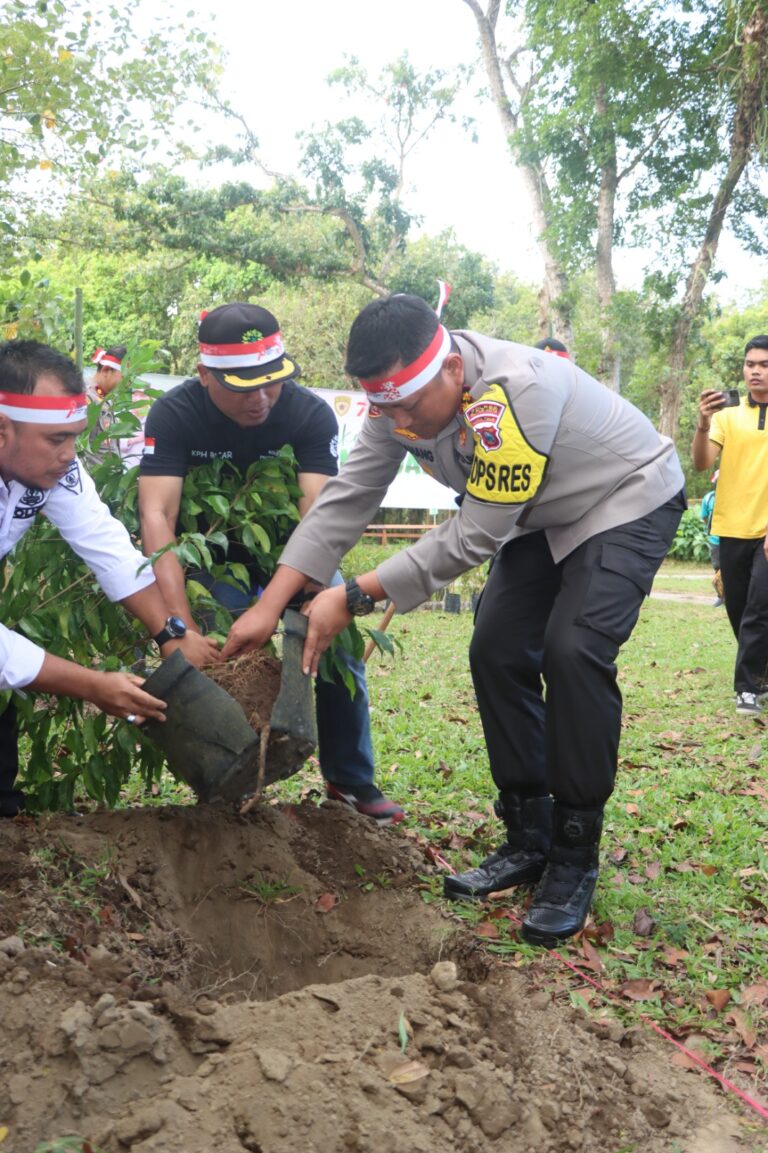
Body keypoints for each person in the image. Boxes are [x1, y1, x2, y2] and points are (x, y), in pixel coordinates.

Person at [221, 293, 686, 945]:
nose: (401, 423)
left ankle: (574, 854)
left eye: (410, 407)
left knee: (573, 649)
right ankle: (529, 836)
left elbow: (474, 535)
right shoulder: (398, 404)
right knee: (494, 649)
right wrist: (269, 606)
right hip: (540, 511)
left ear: (451, 372)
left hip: (624, 496)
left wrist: (351, 594)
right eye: (387, 411)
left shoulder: (513, 393)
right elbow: (347, 499)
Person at [137, 302, 403, 826]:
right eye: (243, 386)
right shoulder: (174, 415)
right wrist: (182, 624)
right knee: (220, 652)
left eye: (272, 383)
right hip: (214, 562)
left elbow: (319, 517)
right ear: (205, 375)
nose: (261, 399)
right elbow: (158, 516)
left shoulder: (308, 413)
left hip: (300, 557)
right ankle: (229, 781)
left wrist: (283, 603)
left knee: (332, 644)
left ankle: (349, 778)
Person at [0, 340, 218, 817]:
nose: (70, 455)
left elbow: (103, 541)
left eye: (74, 437)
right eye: (57, 440)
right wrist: (93, 685)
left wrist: (171, 633)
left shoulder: (48, 466)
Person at [691, 335, 768, 715]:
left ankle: (746, 688)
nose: (756, 370)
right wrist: (703, 423)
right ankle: (762, 673)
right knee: (738, 610)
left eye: (764, 364)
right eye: (751, 363)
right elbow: (703, 464)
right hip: (731, 528)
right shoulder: (726, 415)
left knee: (759, 606)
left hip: (767, 533)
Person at [85, 345, 148, 469]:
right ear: (106, 370)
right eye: (125, 378)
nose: (128, 384)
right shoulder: (85, 398)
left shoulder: (105, 397)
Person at [700, 471, 723, 607]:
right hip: (716, 541)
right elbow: (705, 517)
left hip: (733, 539)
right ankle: (721, 596)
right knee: (717, 568)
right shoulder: (708, 498)